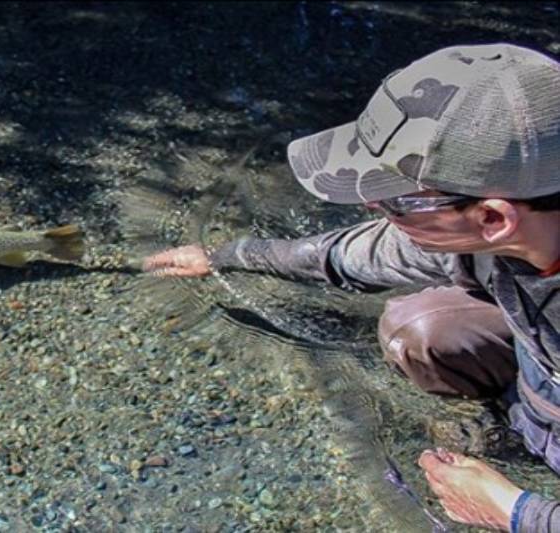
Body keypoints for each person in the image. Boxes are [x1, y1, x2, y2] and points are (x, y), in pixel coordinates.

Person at [143, 43, 560, 532]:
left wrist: (513, 509)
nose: (372, 209)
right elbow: (342, 257)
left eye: (396, 202)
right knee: (418, 329)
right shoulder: (491, 232)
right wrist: (222, 257)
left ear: (492, 217)